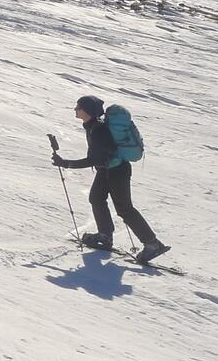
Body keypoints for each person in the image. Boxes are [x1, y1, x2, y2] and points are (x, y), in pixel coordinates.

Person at [53, 95, 169, 264]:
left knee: (124, 208)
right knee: (96, 198)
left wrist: (66, 163)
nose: (75, 110)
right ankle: (105, 236)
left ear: (87, 111)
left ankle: (152, 244)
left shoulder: (98, 130)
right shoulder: (93, 126)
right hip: (108, 170)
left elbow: (93, 159)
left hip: (117, 172)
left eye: (78, 107)